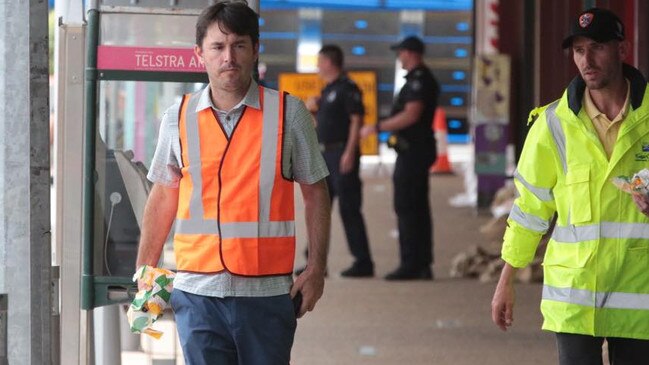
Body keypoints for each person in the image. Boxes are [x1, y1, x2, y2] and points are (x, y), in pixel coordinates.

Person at [135, 2, 331, 364]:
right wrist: (147, 276)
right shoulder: (177, 118)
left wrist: (316, 268)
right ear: (200, 54)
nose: (229, 57)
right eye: (218, 47)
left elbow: (316, 192)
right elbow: (163, 195)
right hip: (196, 294)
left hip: (267, 294)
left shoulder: (289, 114)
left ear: (255, 49)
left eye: (239, 45)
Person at [491, 8, 649, 364]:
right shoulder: (552, 125)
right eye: (578, 51)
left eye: (597, 47)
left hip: (641, 294)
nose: (586, 60)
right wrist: (507, 279)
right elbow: (531, 209)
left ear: (622, 50)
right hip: (575, 296)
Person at [360, 36, 438, 280]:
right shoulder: (418, 79)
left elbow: (411, 115)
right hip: (413, 150)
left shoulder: (420, 81)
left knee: (408, 206)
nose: (399, 57)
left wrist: (378, 126)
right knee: (414, 206)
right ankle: (419, 263)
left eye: (401, 53)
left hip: (414, 152)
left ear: (411, 53)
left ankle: (412, 264)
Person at [299, 45, 374, 277]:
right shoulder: (328, 90)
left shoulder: (347, 88)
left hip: (341, 153)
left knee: (349, 208)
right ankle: (315, 262)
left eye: (319, 62)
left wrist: (350, 152)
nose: (317, 67)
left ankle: (363, 261)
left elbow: (356, 120)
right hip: (325, 154)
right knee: (321, 207)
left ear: (329, 62)